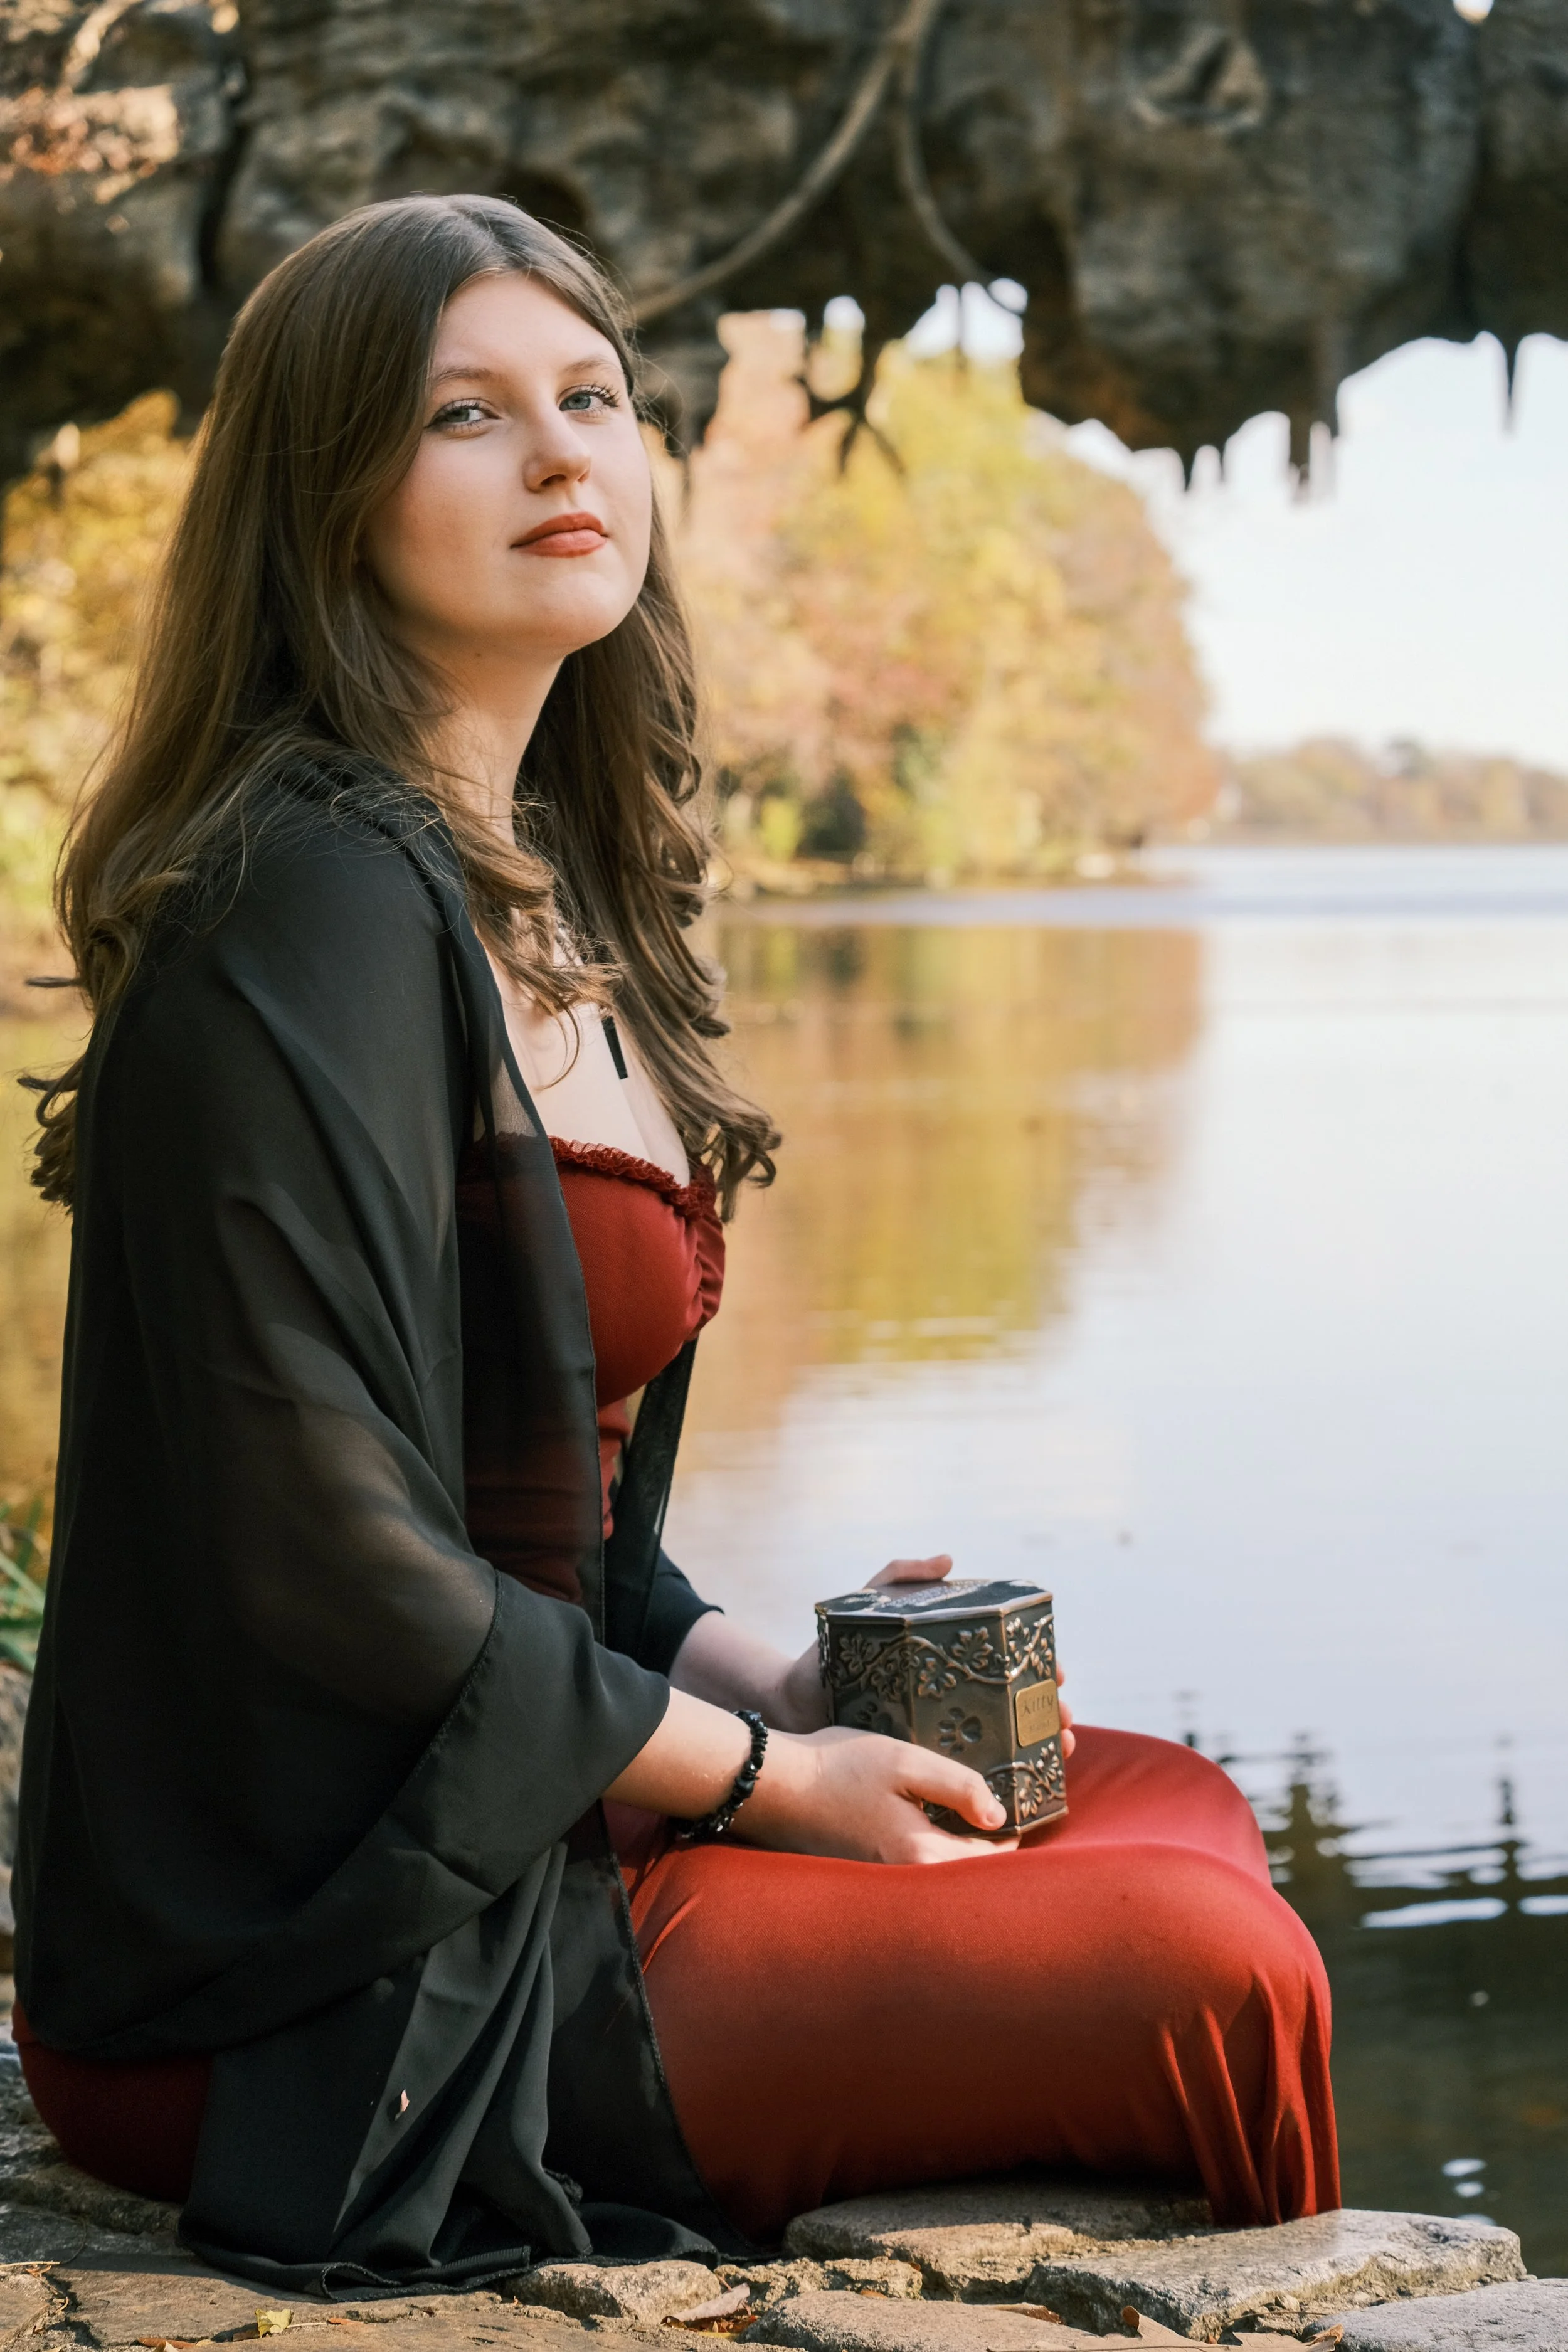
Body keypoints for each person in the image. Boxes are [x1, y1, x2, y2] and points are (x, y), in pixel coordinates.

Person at [13, 194, 1338, 2296]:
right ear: (322, 493)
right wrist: (767, 1778)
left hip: (532, 1796)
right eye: (465, 413)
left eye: (593, 397)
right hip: (330, 1946)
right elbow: (324, 1547)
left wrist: (787, 1674)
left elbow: (576, 1547)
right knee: (1206, 1961)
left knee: (1158, 1799)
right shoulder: (310, 887)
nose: (560, 454)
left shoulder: (551, 899)